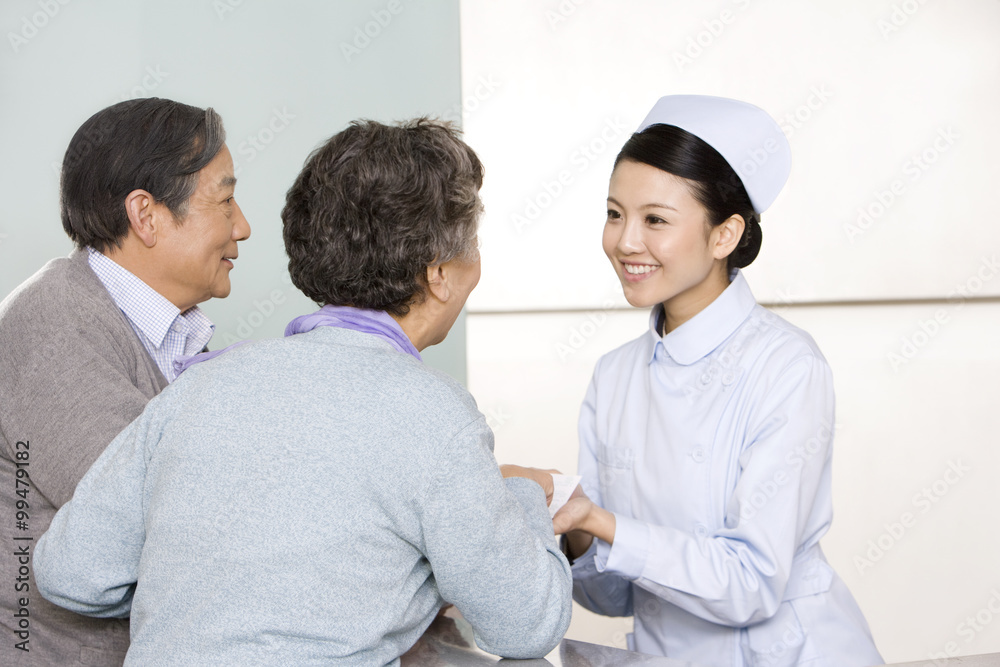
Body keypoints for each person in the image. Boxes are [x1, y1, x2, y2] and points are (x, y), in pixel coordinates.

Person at [33, 118, 573, 666]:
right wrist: (524, 500)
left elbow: (69, 575)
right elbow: (526, 626)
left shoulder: (200, 386)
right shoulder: (438, 416)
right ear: (438, 273)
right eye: (473, 247)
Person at [551, 95, 884, 666]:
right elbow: (611, 596)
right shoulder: (615, 376)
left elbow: (750, 585)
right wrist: (572, 520)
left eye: (655, 219)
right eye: (614, 213)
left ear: (725, 235)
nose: (626, 241)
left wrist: (600, 520)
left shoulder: (785, 366)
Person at [0, 98, 250, 666]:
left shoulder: (162, 327)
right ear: (147, 215)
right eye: (226, 200)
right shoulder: (54, 325)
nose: (243, 225)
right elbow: (162, 528)